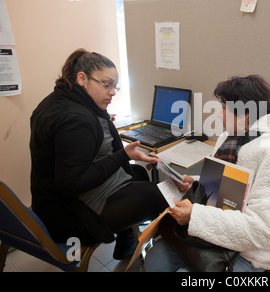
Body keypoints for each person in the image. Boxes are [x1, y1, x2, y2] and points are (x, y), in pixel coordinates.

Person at [145, 75, 270, 272]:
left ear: (246, 114)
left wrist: (195, 216)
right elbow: (229, 188)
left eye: (224, 108)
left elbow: (263, 229)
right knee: (153, 262)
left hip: (248, 251)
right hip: (211, 230)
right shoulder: (230, 138)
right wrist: (194, 183)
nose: (219, 114)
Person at [30, 48, 169, 259]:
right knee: (158, 195)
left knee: (138, 174)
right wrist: (123, 155)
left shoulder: (57, 101)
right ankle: (170, 253)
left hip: (47, 202)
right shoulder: (76, 119)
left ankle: (126, 243)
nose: (112, 92)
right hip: (69, 214)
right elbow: (71, 184)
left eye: (115, 86)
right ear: (82, 78)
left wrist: (104, 121)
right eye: (106, 84)